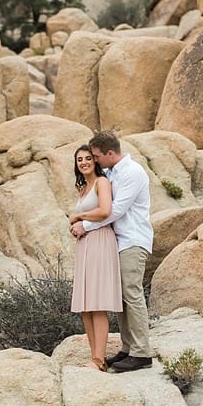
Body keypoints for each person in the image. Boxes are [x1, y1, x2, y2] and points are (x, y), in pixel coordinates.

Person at [71, 130, 154, 373]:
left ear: (109, 153)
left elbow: (114, 211)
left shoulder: (132, 173)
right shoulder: (111, 172)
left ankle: (142, 353)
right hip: (118, 241)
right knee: (122, 299)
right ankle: (128, 348)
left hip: (133, 239)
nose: (94, 161)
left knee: (132, 294)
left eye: (96, 156)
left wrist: (83, 224)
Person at [68, 145, 123, 371]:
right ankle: (94, 357)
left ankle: (100, 360)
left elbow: (105, 210)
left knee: (97, 303)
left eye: (88, 158)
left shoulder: (102, 182)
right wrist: (75, 226)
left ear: (95, 161)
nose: (84, 162)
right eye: (80, 159)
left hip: (100, 241)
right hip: (85, 246)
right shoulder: (83, 188)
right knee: (85, 305)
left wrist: (79, 216)